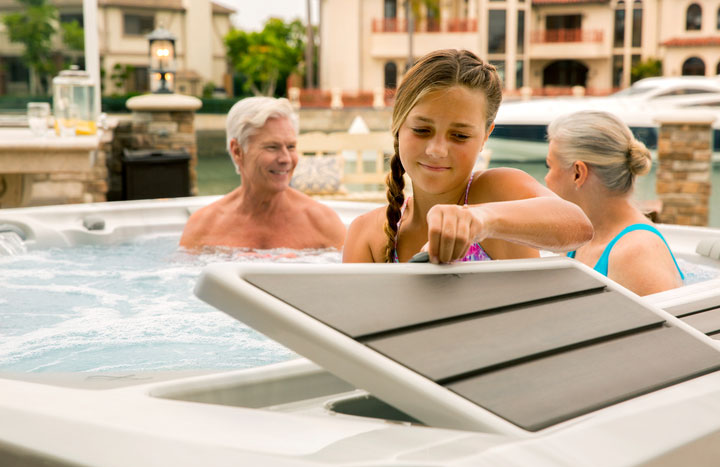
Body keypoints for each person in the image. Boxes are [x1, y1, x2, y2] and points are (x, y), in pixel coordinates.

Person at [343, 49, 593, 264]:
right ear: (398, 126)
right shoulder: (366, 234)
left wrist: (481, 220)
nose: (437, 150)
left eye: (460, 136)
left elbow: (578, 226)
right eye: (421, 130)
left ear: (485, 136)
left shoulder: (496, 194)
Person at [545, 110, 684, 296]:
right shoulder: (582, 240)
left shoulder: (637, 252)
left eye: (550, 166)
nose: (546, 179)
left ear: (578, 173)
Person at [180, 97, 345, 250]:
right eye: (272, 147)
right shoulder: (203, 227)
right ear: (237, 151)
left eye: (291, 147)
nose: (286, 159)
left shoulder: (323, 223)